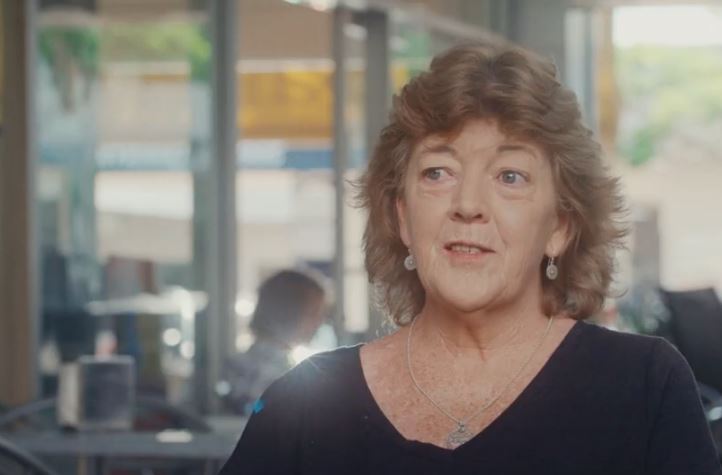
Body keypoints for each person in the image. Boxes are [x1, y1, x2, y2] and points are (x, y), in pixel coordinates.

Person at [220, 43, 721, 474]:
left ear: (560, 227)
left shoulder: (643, 387)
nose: (467, 205)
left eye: (509, 177)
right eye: (438, 172)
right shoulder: (304, 404)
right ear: (401, 217)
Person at [220, 269, 327, 416]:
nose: (319, 322)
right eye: (313, 313)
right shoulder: (288, 375)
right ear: (288, 312)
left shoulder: (231, 365)